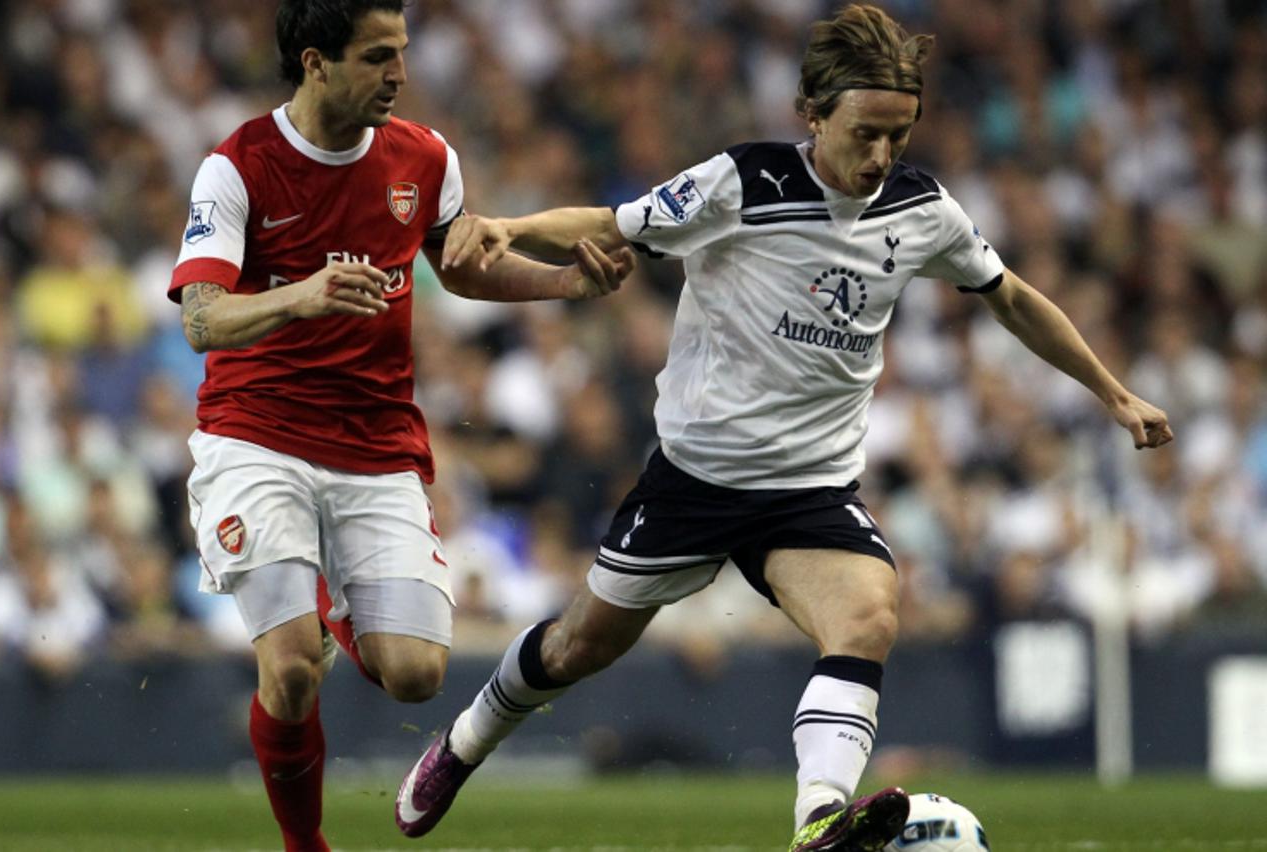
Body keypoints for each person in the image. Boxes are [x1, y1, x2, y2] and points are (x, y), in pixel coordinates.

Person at [395, 5, 1174, 852]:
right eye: (865, 132)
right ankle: (465, 743)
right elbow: (612, 223)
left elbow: (1012, 298)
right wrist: (512, 227)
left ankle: (819, 827)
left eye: (899, 136)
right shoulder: (744, 184)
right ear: (814, 111)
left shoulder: (923, 210)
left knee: (869, 614)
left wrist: (1113, 393)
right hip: (695, 480)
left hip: (809, 490)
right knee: (581, 644)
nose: (880, 157)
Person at [168, 2, 633, 850]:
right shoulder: (237, 166)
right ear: (315, 61)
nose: (400, 73)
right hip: (255, 435)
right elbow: (201, 319)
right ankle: (305, 844)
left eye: (403, 53)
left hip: (376, 444)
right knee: (292, 671)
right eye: (378, 56)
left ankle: (331, 606)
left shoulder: (425, 157)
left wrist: (566, 286)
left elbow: (463, 269)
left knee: (417, 675)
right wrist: (302, 295)